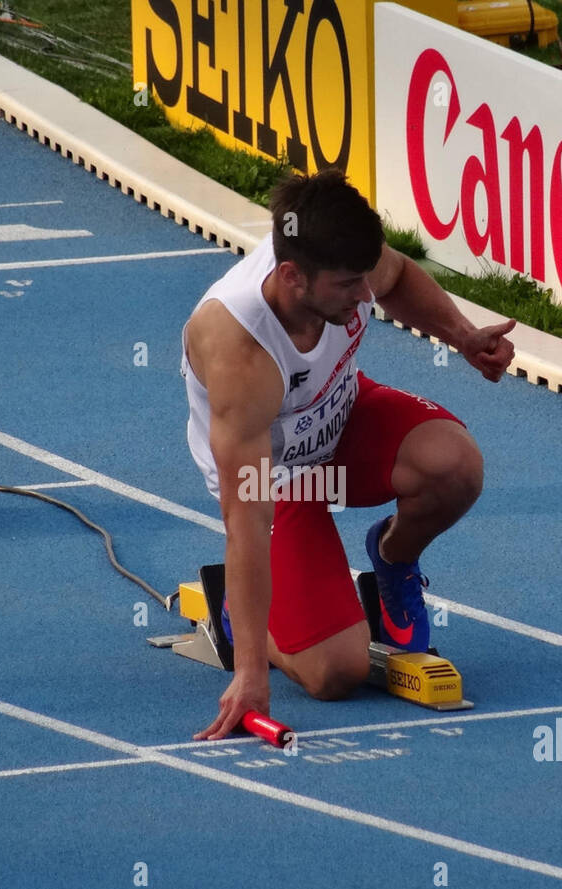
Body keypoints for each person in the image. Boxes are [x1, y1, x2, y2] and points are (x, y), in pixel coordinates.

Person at [182, 169, 515, 741]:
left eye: (365, 280)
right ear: (292, 277)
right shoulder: (240, 352)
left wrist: (463, 337)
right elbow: (246, 519)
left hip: (340, 426)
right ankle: (234, 612)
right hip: (279, 483)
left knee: (455, 466)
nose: (366, 297)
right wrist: (252, 674)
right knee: (337, 672)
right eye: (349, 286)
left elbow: (397, 276)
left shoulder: (340, 256)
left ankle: (391, 562)